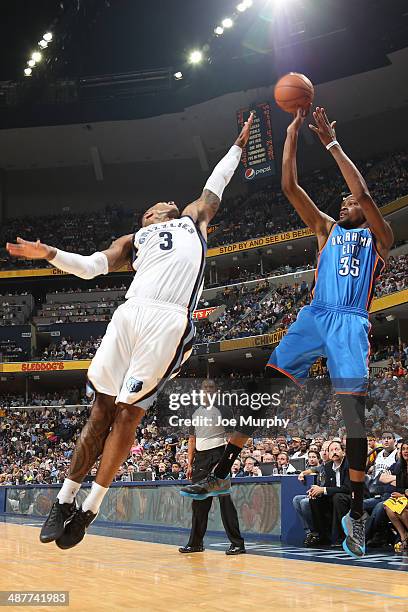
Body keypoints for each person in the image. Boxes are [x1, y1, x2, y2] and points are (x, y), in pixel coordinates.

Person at [6, 114, 254, 550]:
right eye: (159, 205)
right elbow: (89, 268)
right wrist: (49, 252)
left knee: (128, 413)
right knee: (100, 411)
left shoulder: (193, 219)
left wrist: (236, 147)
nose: (167, 204)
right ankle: (64, 500)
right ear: (149, 216)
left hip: (170, 318)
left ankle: (90, 508)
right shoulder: (134, 239)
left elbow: (214, 188)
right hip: (129, 314)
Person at [181, 107, 394, 560]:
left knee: (353, 418)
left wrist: (333, 144)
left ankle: (355, 512)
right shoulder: (325, 230)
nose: (345, 203)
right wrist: (293, 136)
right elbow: (289, 187)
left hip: (350, 320)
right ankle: (222, 468)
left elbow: (364, 191)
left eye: (349, 202)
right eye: (342, 202)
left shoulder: (380, 236)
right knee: (269, 386)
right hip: (316, 314)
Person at [179, 380, 245, 555]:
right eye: (205, 388)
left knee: (225, 501)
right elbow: (192, 439)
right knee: (199, 503)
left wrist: (224, 461)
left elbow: (231, 437)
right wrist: (190, 463)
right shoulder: (194, 412)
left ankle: (237, 543)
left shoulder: (224, 409)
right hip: (200, 460)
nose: (208, 390)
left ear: (216, 391)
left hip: (219, 455)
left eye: (211, 388)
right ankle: (195, 543)